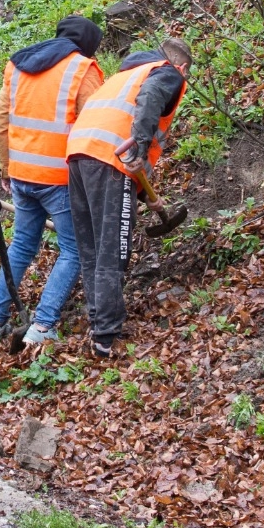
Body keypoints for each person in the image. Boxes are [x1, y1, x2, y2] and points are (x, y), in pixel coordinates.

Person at [65, 38, 191, 358]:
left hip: (79, 156)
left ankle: (99, 323)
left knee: (92, 247)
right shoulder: (168, 73)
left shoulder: (124, 76)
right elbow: (149, 100)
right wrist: (140, 146)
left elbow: (117, 121)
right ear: (183, 66)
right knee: (112, 248)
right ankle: (106, 335)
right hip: (112, 160)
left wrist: (143, 193)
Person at [0, 15, 105, 346]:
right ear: (88, 45)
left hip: (22, 175)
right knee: (74, 250)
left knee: (22, 245)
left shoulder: (19, 65)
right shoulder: (82, 70)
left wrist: (7, 166)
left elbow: (0, 119)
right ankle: (42, 326)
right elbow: (96, 126)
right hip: (59, 178)